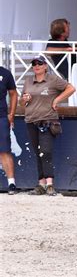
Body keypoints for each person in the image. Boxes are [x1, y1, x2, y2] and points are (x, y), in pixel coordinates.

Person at [20, 56, 76, 196]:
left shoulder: (53, 79)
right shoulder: (28, 81)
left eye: (39, 63)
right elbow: (22, 103)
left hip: (47, 120)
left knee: (46, 151)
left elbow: (71, 88)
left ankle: (49, 184)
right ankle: (41, 184)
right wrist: (24, 100)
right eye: (34, 64)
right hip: (31, 119)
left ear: (45, 66)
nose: (36, 66)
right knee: (37, 152)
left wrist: (56, 100)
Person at [0, 66, 18, 195]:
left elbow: (13, 93)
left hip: (1, 116)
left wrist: (11, 114)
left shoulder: (5, 73)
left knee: (5, 150)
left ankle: (11, 183)